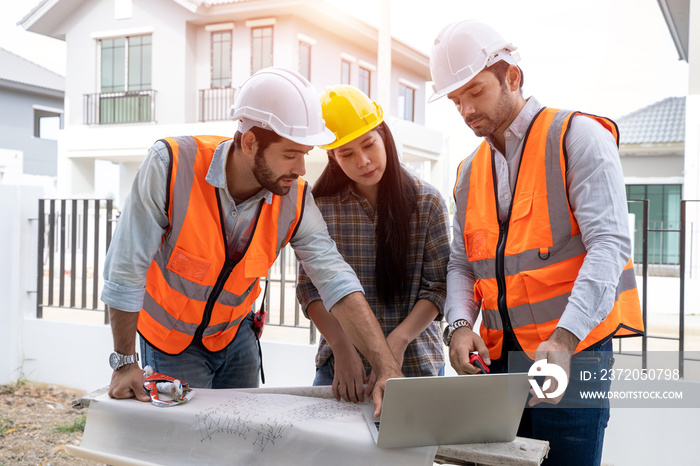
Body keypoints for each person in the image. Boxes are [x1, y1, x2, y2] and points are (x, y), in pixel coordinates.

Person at [101, 67, 402, 416]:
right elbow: (126, 268)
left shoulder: (295, 198)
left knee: (240, 441)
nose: (302, 168)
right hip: (170, 345)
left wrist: (386, 367)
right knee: (188, 449)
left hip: (235, 339)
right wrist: (124, 362)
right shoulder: (171, 165)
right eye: (290, 154)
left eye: (305, 153)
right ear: (249, 143)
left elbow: (334, 278)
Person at [430, 21, 644, 465]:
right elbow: (461, 265)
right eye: (456, 101)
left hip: (574, 354)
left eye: (475, 92)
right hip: (498, 364)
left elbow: (609, 244)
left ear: (512, 76)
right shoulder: (468, 173)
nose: (466, 110)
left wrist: (564, 339)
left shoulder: (578, 138)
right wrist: (459, 326)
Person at [296, 85, 451, 403]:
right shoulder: (319, 206)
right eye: (347, 153)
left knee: (409, 453)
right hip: (343, 366)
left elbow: (436, 289)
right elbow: (310, 291)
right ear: (333, 157)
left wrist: (398, 340)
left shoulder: (428, 201)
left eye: (369, 144)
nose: (363, 161)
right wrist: (342, 346)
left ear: (385, 137)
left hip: (417, 363)